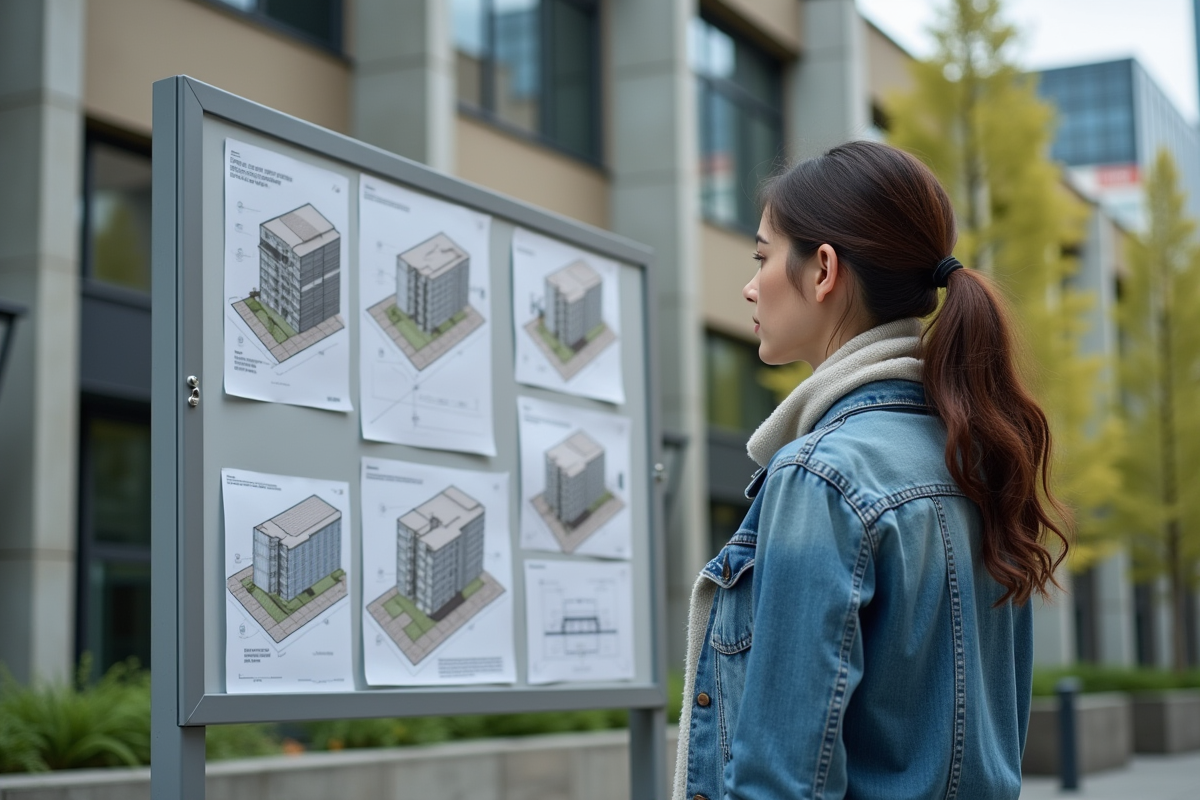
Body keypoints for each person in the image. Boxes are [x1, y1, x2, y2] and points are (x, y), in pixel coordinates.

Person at [673, 140, 1070, 800]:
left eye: (763, 257)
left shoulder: (822, 475)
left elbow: (784, 782)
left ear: (823, 270)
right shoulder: (977, 458)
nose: (750, 285)